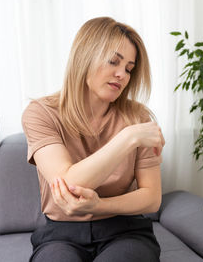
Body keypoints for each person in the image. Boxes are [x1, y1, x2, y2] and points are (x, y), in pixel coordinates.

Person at [21, 16, 165, 262]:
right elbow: (69, 183)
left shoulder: (137, 117)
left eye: (129, 69)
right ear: (84, 57)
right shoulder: (41, 113)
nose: (122, 75)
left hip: (125, 231)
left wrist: (99, 206)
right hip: (60, 234)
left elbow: (152, 198)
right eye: (113, 62)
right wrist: (128, 138)